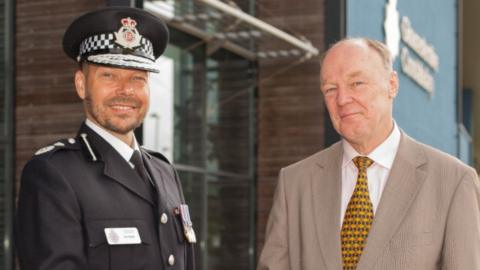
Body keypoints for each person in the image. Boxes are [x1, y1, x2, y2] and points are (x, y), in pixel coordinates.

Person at [257, 38, 480, 270]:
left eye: (356, 83)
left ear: (392, 84)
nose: (342, 99)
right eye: (331, 89)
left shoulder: (453, 182)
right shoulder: (294, 184)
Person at [15, 7, 196, 270]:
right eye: (109, 76)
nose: (125, 91)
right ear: (81, 84)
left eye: (137, 78)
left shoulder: (164, 171)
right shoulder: (53, 174)